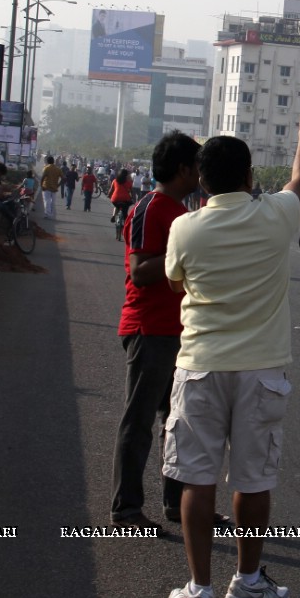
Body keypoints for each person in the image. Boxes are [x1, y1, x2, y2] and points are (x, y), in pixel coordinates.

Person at [162, 113, 300, 598]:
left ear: (201, 180)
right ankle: (248, 582)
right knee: (253, 481)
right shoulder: (275, 214)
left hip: (201, 365)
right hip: (261, 370)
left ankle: (199, 591)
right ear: (250, 176)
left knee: (196, 479)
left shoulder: (184, 227)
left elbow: (173, 284)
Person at [111, 133, 202, 536]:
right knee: (140, 421)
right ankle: (127, 509)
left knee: (177, 421)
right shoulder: (151, 207)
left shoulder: (182, 211)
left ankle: (173, 503)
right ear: (184, 169)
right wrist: (185, 251)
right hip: (149, 329)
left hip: (179, 331)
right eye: (198, 166)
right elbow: (139, 271)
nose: (202, 174)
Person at [40, 155, 62, 220]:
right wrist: (58, 185)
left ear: (47, 161)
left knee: (47, 201)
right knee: (52, 202)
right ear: (53, 161)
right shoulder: (58, 169)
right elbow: (64, 178)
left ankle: (47, 214)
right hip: (54, 188)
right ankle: (51, 213)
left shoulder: (46, 168)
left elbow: (43, 177)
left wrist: (41, 185)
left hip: (46, 187)